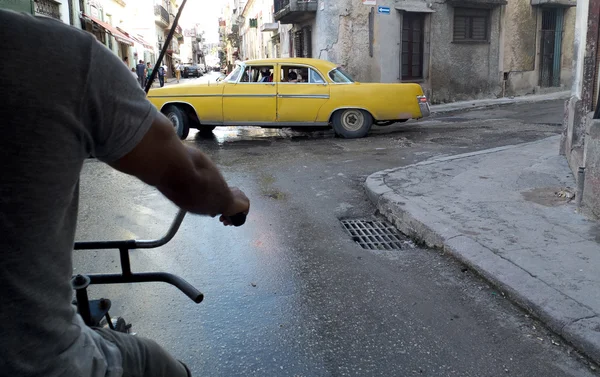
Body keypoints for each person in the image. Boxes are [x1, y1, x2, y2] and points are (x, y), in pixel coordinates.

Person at [0, 9, 250, 377]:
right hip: (41, 361)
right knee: (162, 366)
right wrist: (232, 200)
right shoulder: (54, 52)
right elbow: (189, 175)